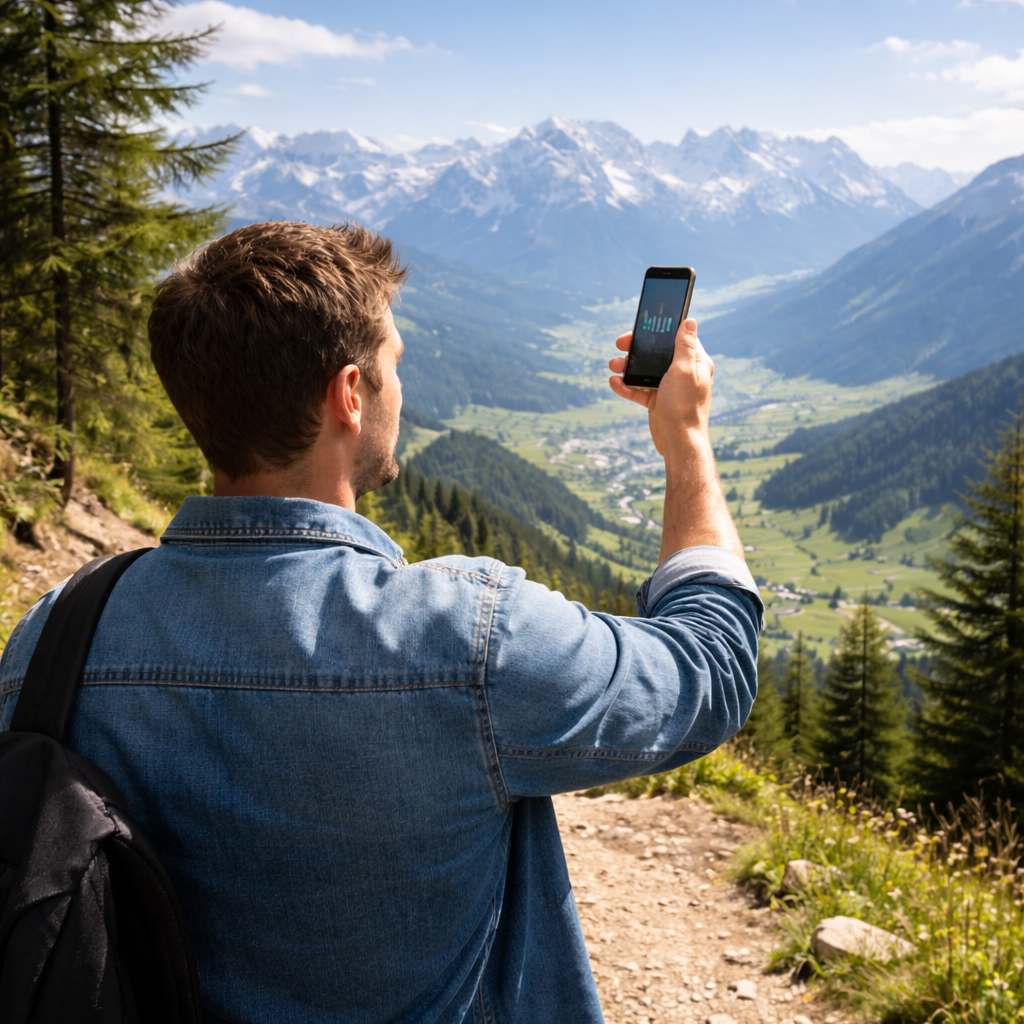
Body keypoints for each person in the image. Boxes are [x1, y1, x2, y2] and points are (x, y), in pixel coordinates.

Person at [0, 221, 761, 1024]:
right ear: (350, 395)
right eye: (394, 364)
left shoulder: (52, 637)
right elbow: (708, 668)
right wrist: (686, 439)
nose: (400, 386)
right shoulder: (466, 638)